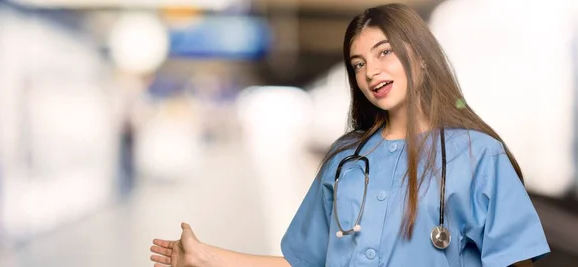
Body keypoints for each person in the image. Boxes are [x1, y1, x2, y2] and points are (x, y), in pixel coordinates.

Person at [149, 3, 550, 267]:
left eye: (384, 52)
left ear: (423, 60)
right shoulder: (346, 158)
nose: (370, 71)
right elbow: (302, 262)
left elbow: (517, 261)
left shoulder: (480, 157)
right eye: (358, 64)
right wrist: (204, 257)